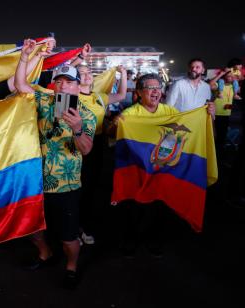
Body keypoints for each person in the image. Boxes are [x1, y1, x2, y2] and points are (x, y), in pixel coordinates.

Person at [14, 39, 96, 289]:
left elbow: (86, 149)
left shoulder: (86, 114)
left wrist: (77, 128)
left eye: (68, 81)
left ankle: (71, 267)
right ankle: (45, 253)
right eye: (59, 81)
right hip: (36, 181)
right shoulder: (45, 99)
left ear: (76, 85)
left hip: (66, 186)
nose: (62, 85)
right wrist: (25, 57)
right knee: (32, 228)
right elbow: (20, 85)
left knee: (69, 235)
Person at [112, 74, 214, 258]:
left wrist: (206, 115)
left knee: (159, 208)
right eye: (150, 88)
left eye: (158, 88)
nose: (155, 91)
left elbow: (188, 129)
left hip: (161, 170)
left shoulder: (169, 111)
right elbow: (114, 137)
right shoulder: (129, 114)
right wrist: (115, 125)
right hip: (138, 170)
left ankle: (153, 240)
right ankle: (131, 240)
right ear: (139, 93)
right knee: (135, 208)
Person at [77, 64, 127, 245]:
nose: (86, 75)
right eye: (81, 73)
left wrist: (123, 74)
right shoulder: (69, 97)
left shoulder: (98, 97)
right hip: (76, 145)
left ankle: (84, 227)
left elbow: (121, 95)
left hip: (97, 145)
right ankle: (73, 230)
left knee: (91, 187)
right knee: (76, 189)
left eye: (88, 72)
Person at [210, 69, 235, 153]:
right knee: (214, 136)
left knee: (222, 136)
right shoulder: (219, 85)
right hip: (216, 115)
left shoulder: (233, 87)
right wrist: (221, 74)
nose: (230, 77)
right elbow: (210, 85)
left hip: (226, 114)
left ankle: (219, 155)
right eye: (228, 76)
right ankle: (213, 155)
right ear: (224, 77)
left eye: (232, 76)